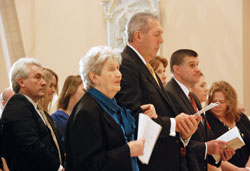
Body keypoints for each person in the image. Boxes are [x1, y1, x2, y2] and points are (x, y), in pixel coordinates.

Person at [115, 12, 201, 171]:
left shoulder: (146, 66)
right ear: (138, 35)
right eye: (156, 35)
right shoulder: (127, 64)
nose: (161, 40)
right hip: (149, 162)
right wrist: (174, 123)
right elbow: (133, 116)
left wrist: (181, 128)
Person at [65, 46, 148, 171]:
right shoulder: (86, 112)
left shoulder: (112, 105)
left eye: (118, 69)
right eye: (111, 69)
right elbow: (87, 165)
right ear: (94, 77)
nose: (119, 74)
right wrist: (128, 151)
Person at [164, 49, 235, 171]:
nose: (198, 69)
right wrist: (206, 148)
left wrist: (218, 152)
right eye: (192, 65)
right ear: (177, 69)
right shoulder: (169, 94)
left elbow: (203, 137)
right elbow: (173, 142)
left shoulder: (193, 97)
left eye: (197, 64)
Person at [1, 58, 64, 171]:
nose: (44, 82)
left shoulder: (32, 108)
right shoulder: (17, 106)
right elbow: (31, 145)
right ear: (21, 82)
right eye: (37, 77)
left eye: (43, 78)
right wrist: (58, 168)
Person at [206, 81, 250, 171]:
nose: (217, 106)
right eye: (214, 102)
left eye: (222, 102)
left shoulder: (240, 117)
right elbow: (210, 157)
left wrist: (248, 167)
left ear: (230, 102)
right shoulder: (206, 120)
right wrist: (236, 169)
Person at [52, 75, 85, 145]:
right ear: (72, 90)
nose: (87, 95)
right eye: (84, 90)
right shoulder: (57, 118)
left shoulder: (81, 117)